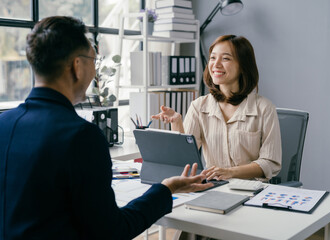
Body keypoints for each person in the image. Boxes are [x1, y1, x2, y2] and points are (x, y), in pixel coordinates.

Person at [0, 16, 212, 240]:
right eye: (93, 60)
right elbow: (113, 232)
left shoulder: (4, 124)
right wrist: (166, 189)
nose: (95, 73)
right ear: (77, 66)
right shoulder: (81, 136)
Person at [152, 35, 282, 182]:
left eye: (225, 58)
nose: (216, 64)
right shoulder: (199, 106)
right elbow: (183, 160)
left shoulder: (264, 109)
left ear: (243, 66)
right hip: (213, 187)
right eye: (213, 58)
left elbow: (270, 163)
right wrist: (176, 123)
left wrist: (230, 172)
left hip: (252, 192)